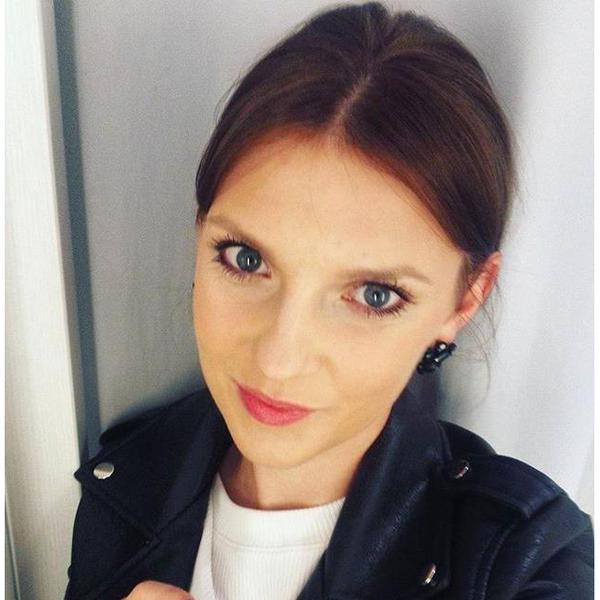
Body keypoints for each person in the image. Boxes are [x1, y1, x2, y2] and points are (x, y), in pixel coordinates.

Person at [63, 2, 593, 599]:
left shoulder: (524, 557)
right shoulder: (128, 476)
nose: (279, 360)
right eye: (246, 259)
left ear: (464, 301)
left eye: (373, 295)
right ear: (200, 233)